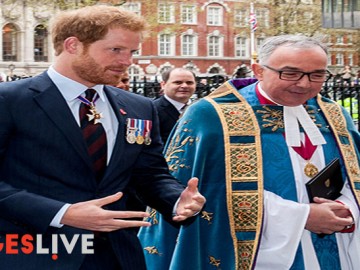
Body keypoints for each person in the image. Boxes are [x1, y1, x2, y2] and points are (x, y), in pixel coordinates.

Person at [0, 5, 205, 270]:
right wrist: (62, 213)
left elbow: (149, 174)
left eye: (132, 52)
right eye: (116, 50)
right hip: (33, 253)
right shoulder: (9, 100)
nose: (127, 61)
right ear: (73, 45)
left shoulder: (139, 107)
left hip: (118, 255)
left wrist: (177, 199)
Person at [139, 35, 360, 269]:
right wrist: (300, 216)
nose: (304, 84)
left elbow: (354, 172)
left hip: (334, 238)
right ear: (259, 70)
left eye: (317, 75)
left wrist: (346, 208)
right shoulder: (212, 115)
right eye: (290, 73)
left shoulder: (333, 112)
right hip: (251, 251)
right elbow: (198, 190)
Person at [153, 68, 196, 143]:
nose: (184, 86)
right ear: (163, 85)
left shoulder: (200, 109)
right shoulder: (152, 109)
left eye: (189, 83)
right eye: (178, 82)